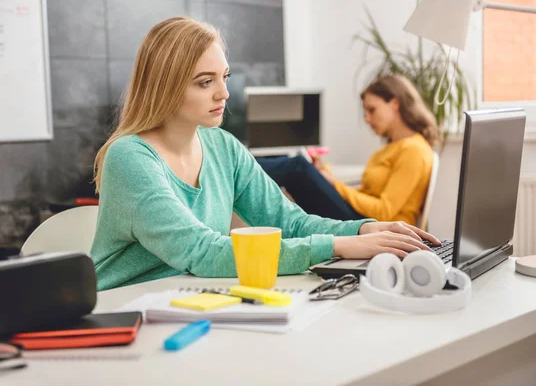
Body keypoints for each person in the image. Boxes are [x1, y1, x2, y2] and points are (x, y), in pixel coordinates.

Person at [90, 17, 440, 291]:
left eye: (224, 77)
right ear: (164, 86)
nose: (224, 93)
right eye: (204, 81)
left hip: (188, 301)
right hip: (123, 313)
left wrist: (365, 229)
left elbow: (288, 222)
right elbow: (202, 252)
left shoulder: (223, 147)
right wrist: (338, 246)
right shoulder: (130, 158)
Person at [256, 74, 440, 225]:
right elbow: (366, 195)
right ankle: (239, 171)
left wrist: (335, 185)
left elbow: (385, 211)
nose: (367, 119)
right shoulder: (391, 148)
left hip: (378, 226)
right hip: (364, 218)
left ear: (395, 104)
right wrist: (323, 176)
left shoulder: (414, 150)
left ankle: (235, 166)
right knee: (299, 171)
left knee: (296, 167)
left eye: (372, 110)